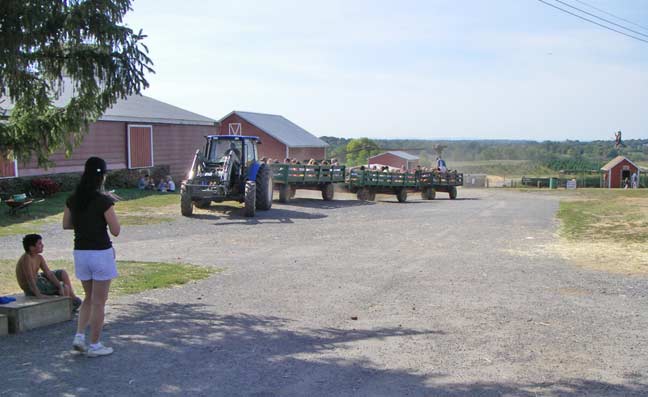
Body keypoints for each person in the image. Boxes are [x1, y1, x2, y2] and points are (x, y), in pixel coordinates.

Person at [63, 157, 121, 357]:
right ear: (102, 176)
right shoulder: (104, 201)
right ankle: (95, 344)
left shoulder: (73, 198)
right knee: (99, 302)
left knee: (89, 298)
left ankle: (79, 336)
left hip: (81, 252)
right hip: (101, 253)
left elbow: (66, 224)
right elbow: (116, 230)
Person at [15, 234, 82, 310]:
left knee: (62, 273)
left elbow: (48, 273)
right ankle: (66, 308)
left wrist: (59, 286)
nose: (43, 245)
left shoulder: (39, 257)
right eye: (39, 243)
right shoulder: (26, 258)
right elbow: (30, 278)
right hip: (31, 287)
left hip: (38, 279)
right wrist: (38, 294)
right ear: (31, 247)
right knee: (65, 287)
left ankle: (72, 298)